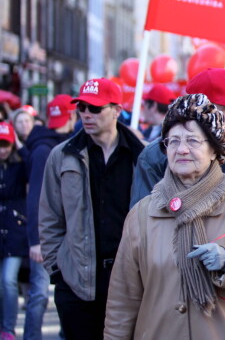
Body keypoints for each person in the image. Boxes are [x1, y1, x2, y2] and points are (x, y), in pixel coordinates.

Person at [104, 93, 225, 338]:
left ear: (214, 150)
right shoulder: (143, 214)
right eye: (173, 141)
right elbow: (123, 299)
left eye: (192, 141)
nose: (182, 150)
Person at [39, 78, 145, 340]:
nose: (86, 114)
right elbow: (50, 216)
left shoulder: (140, 156)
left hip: (128, 281)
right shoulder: (62, 156)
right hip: (76, 285)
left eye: (95, 108)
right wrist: (57, 271)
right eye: (82, 107)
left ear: (116, 111)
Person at [22, 95, 77, 340]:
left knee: (64, 295)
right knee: (40, 294)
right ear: (73, 116)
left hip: (70, 233)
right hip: (50, 234)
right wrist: (36, 239)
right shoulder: (44, 150)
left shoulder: (73, 143)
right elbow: (35, 195)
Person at [0, 121, 28, 340]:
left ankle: (8, 328)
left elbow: (33, 167)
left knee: (9, 280)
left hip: (15, 232)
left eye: (6, 145)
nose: (2, 149)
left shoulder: (19, 165)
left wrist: (19, 145)